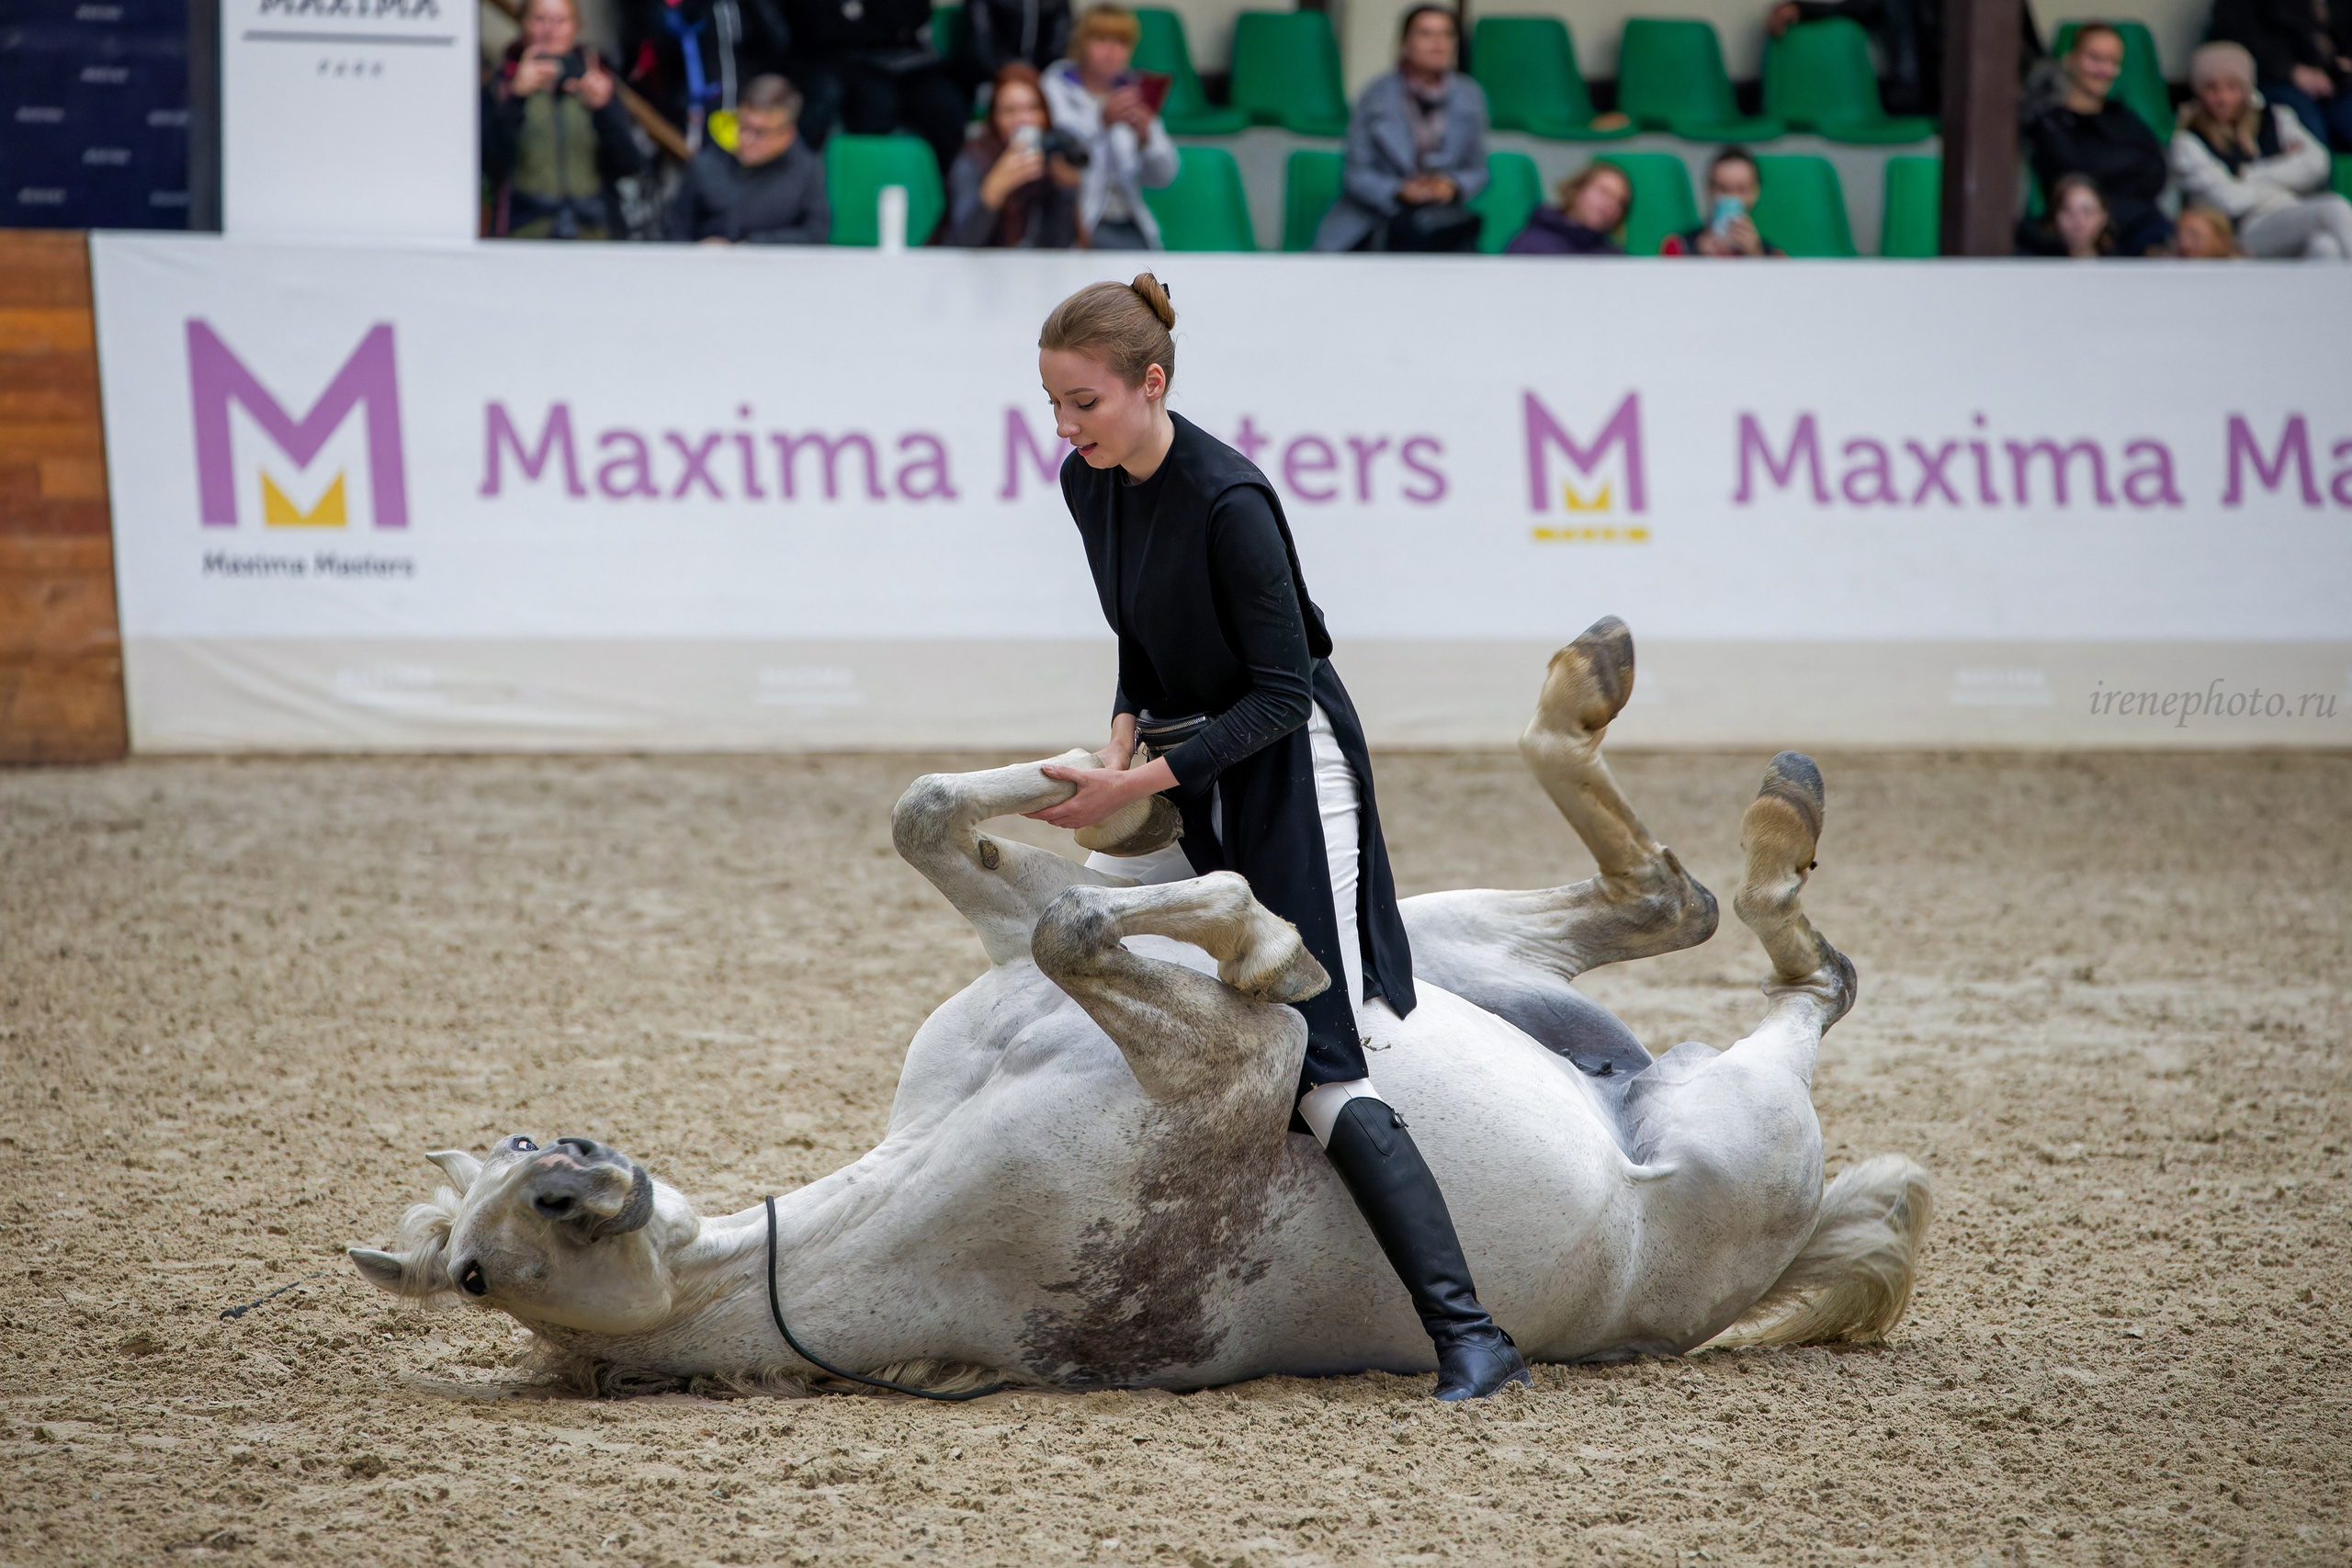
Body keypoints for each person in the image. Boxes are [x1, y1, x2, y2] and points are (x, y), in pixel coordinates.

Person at [1027, 275, 1532, 1404]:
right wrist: (1118, 759)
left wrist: (1143, 778)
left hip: (1292, 772)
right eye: (1053, 405)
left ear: (1150, 385)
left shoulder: (1231, 502)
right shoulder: (1089, 482)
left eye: (1083, 403)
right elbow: (1139, 645)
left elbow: (1277, 698)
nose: (1063, 429)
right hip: (1186, 758)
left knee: (1318, 1058)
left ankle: (1472, 1334)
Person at [1310, 6, 1490, 253]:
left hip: (1440, 223)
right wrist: (1399, 190)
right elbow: (1355, 175)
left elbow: (1478, 169)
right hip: (1378, 220)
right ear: (1406, 42)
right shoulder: (1376, 95)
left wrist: (1451, 186)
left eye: (1447, 34)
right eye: (1426, 34)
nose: (1438, 44)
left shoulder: (1470, 96)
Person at [482, 0, 649, 240]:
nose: (549, 29)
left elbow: (630, 166)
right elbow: (489, 166)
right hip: (523, 234)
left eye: (560, 21)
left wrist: (604, 111)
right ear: (522, 24)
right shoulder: (501, 88)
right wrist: (516, 99)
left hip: (593, 235)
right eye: (540, 19)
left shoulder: (599, 83)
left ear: (576, 27)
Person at [2171, 39, 2352, 256]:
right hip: (2243, 230)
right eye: (2212, 88)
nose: (2223, 98)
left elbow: (2318, 164)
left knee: (2325, 246)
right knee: (2333, 208)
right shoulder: (2188, 140)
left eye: (2232, 87)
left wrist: (2249, 174)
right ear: (2199, 93)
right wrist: (2288, 172)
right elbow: (2230, 201)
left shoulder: (2276, 118)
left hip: (2289, 212)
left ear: (2246, 88)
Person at [2020, 22, 2173, 254]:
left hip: (2140, 231)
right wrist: (2127, 165)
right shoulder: (2050, 120)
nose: (2103, 70)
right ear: (2069, 59)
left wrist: (2106, 166)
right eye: (2094, 58)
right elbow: (2073, 168)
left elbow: (2156, 173)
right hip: (2072, 236)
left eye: (2112, 62)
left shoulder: (2124, 116)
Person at [1041, 6, 1181, 249]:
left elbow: (1164, 177)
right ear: (1081, 43)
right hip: (1075, 222)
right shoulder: (1054, 87)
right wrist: (1100, 122)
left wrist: (1146, 139)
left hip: (1128, 223)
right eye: (1102, 40)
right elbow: (1057, 153)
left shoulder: (1134, 92)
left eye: (1121, 43)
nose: (1112, 52)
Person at [781, 0, 972, 173]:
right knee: (874, 104)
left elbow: (914, 16)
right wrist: (873, 25)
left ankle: (956, 191)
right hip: (837, 62)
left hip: (904, 62)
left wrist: (863, 18)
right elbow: (816, 30)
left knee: (945, 102)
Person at [1762, 0, 2041, 116]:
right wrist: (1802, 9)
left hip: (1998, 103)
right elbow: (1858, 8)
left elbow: (2032, 50)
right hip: (1926, 96)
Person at [666, 73, 830, 243]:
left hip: (776, 266)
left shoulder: (806, 171)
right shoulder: (705, 164)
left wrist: (751, 246)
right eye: (742, 126)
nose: (746, 139)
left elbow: (816, 234)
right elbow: (675, 229)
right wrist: (697, 252)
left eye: (759, 132)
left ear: (787, 135)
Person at [944, 62, 1084, 246]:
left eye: (1032, 108)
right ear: (994, 118)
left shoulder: (1053, 157)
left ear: (1045, 114)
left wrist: (1065, 191)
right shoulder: (973, 159)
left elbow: (1059, 245)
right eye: (1010, 111)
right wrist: (993, 190)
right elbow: (959, 242)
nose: (1023, 119)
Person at [2208, 0, 2352, 148]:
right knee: (2312, 139)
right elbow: (2239, 38)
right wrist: (2292, 71)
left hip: (2330, 79)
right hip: (2271, 79)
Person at [1658, 147, 1788, 256]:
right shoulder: (1678, 248)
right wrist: (1696, 257)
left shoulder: (1774, 257)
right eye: (1722, 189)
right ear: (1708, 190)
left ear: (1755, 193)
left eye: (1741, 189)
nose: (1731, 197)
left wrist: (1756, 256)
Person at [1503, 162, 1630, 254]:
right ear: (1576, 191)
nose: (1610, 205)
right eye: (1604, 192)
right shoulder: (1530, 245)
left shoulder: (1614, 258)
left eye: (1620, 202)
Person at [958, 0, 1075, 86]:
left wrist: (1037, 73)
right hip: (988, 76)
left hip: (1042, 78)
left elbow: (1057, 45)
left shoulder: (1057, 3)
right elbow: (981, 40)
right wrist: (1005, 71)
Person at [2017, 171, 2119, 255]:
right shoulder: (2034, 261)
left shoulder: (2124, 262)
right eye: (2067, 211)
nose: (2078, 222)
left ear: (2104, 216)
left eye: (2087, 211)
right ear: (2054, 217)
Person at [2172, 203, 2247, 254]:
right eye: (2179, 238)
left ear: (2221, 240)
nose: (2184, 245)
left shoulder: (2246, 271)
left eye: (2194, 237)